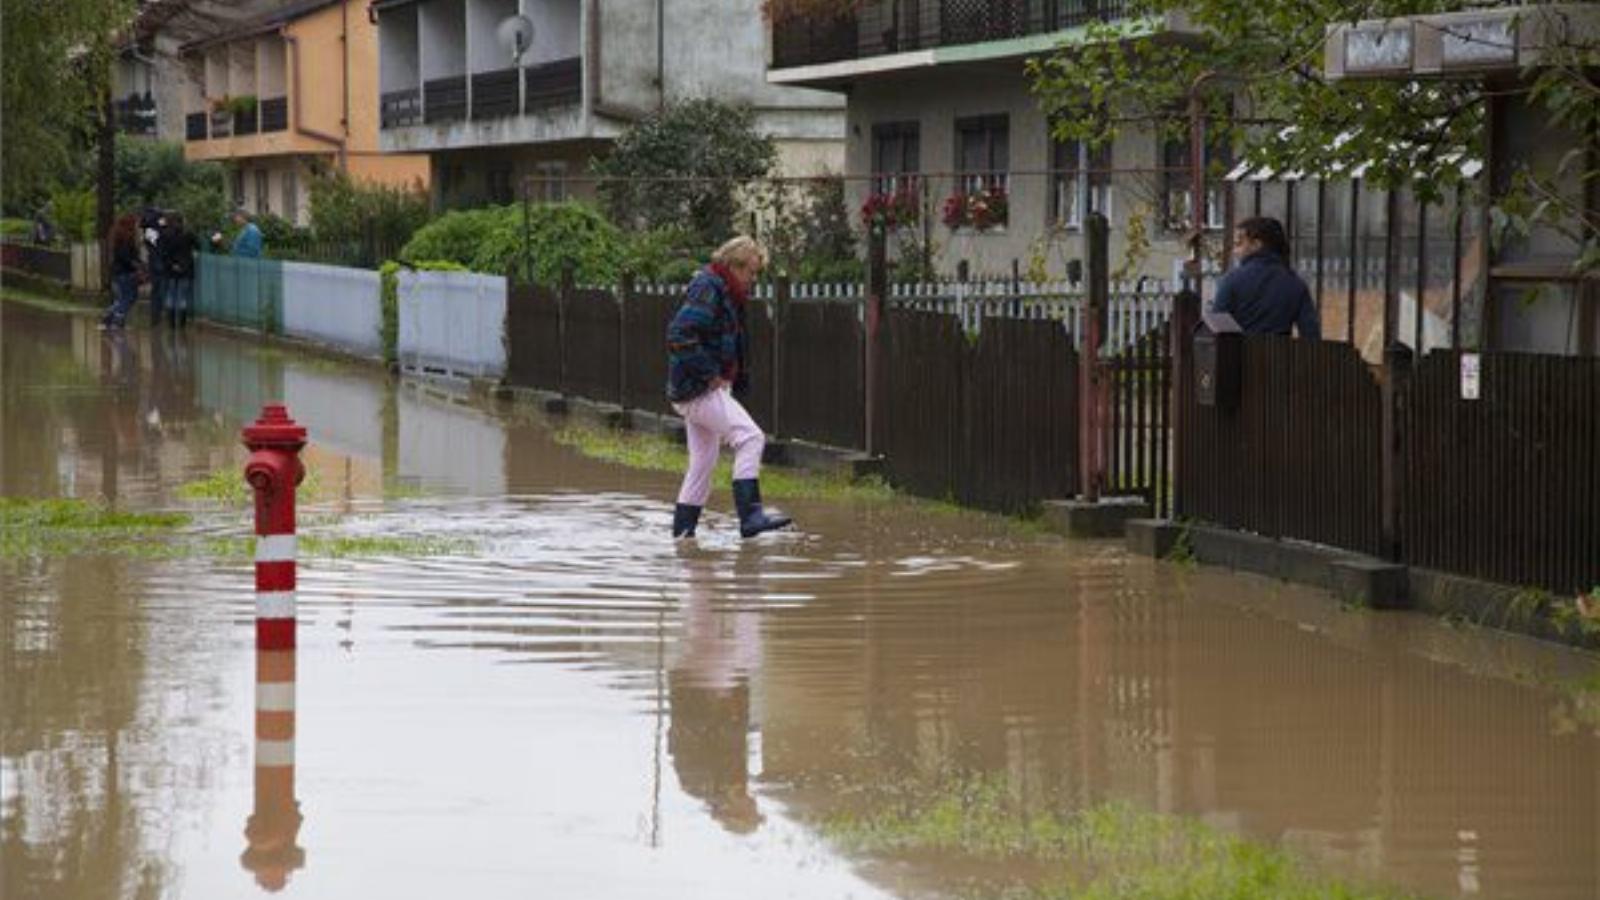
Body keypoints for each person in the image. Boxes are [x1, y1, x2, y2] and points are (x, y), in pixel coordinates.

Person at [666, 236, 791, 539]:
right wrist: (710, 376)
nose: (754, 279)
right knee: (750, 437)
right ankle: (750, 516)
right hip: (698, 389)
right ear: (734, 266)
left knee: (702, 465)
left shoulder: (724, 291)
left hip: (695, 389)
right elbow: (679, 334)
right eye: (751, 271)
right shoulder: (709, 288)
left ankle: (683, 537)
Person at [1211, 217, 1321, 339]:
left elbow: (1217, 329)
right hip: (1279, 356)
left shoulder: (1231, 280)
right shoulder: (1296, 284)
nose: (1234, 251)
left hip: (1239, 356)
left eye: (1238, 244)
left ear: (1257, 245)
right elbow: (1311, 335)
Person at [99, 214, 144, 330]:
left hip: (118, 272)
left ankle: (108, 316)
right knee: (129, 297)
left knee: (123, 297)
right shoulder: (126, 238)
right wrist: (137, 265)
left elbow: (125, 256)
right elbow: (126, 256)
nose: (137, 226)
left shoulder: (117, 237)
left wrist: (139, 263)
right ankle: (117, 320)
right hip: (126, 273)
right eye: (135, 224)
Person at [160, 213, 198, 328]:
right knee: (182, 297)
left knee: (171, 295)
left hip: (171, 270)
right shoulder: (189, 234)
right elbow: (198, 245)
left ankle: (171, 323)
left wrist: (172, 264)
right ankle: (182, 324)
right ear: (183, 222)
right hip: (186, 269)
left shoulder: (166, 234)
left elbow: (163, 253)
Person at [143, 210, 168, 326]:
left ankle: (156, 315)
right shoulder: (151, 232)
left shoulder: (150, 231)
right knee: (158, 290)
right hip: (157, 264)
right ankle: (156, 316)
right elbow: (157, 245)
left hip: (156, 263)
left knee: (157, 290)